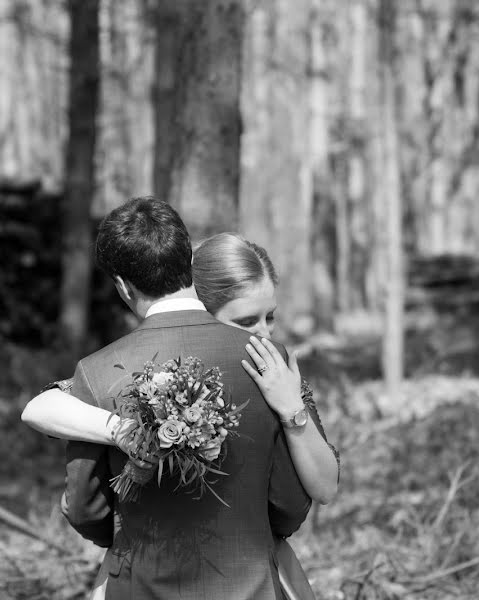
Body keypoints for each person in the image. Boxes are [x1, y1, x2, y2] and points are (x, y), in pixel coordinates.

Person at [38, 198, 331, 599]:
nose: (262, 332)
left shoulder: (100, 371)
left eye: (269, 317)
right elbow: (290, 500)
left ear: (123, 286)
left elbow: (86, 508)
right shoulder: (267, 364)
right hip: (250, 584)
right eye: (248, 320)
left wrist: (124, 533)